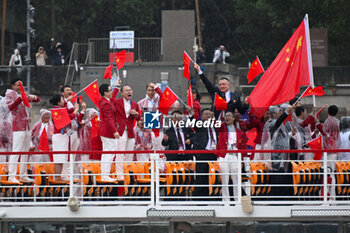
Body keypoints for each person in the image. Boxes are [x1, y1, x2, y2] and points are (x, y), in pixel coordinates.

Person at [6, 79, 40, 183]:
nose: (20, 87)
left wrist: (31, 96)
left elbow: (37, 99)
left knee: (25, 151)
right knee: (16, 151)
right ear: (13, 86)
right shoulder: (10, 94)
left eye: (21, 85)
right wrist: (21, 98)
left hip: (26, 126)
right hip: (17, 126)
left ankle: (23, 174)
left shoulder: (23, 94)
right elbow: (10, 107)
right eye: (17, 85)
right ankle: (11, 175)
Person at [215, 111, 246, 203]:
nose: (227, 117)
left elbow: (243, 146)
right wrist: (213, 116)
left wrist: (241, 160)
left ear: (233, 118)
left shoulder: (239, 131)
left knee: (236, 179)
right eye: (225, 116)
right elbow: (214, 123)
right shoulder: (222, 127)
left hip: (235, 156)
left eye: (229, 116)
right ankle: (226, 202)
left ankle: (237, 201)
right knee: (224, 179)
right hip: (224, 156)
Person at [113, 85, 141, 180]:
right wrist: (116, 87)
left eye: (130, 90)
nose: (129, 92)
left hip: (130, 131)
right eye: (126, 90)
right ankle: (120, 175)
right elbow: (111, 99)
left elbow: (138, 117)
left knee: (129, 153)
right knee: (120, 153)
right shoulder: (117, 102)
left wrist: (136, 113)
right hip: (120, 130)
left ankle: (127, 173)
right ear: (122, 93)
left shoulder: (134, 104)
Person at [49, 94, 79, 181]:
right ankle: (57, 177)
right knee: (59, 158)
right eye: (62, 100)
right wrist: (76, 110)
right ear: (58, 102)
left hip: (63, 136)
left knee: (63, 157)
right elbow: (69, 117)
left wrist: (68, 102)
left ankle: (60, 176)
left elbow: (68, 110)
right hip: (59, 136)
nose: (64, 102)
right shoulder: (56, 110)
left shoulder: (60, 108)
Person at [193, 108, 218, 198]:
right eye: (206, 114)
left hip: (214, 154)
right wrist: (191, 114)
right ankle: (200, 198)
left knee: (212, 177)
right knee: (201, 177)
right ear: (202, 116)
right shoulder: (200, 125)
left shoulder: (215, 126)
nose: (208, 116)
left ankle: (212, 196)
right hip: (203, 154)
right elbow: (193, 123)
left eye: (209, 114)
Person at [99, 84, 120, 182]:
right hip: (108, 131)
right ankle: (104, 174)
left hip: (106, 130)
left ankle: (105, 174)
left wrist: (117, 88)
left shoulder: (106, 101)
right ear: (105, 93)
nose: (112, 92)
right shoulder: (105, 104)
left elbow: (112, 98)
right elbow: (108, 118)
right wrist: (114, 131)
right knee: (109, 153)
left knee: (108, 152)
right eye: (110, 90)